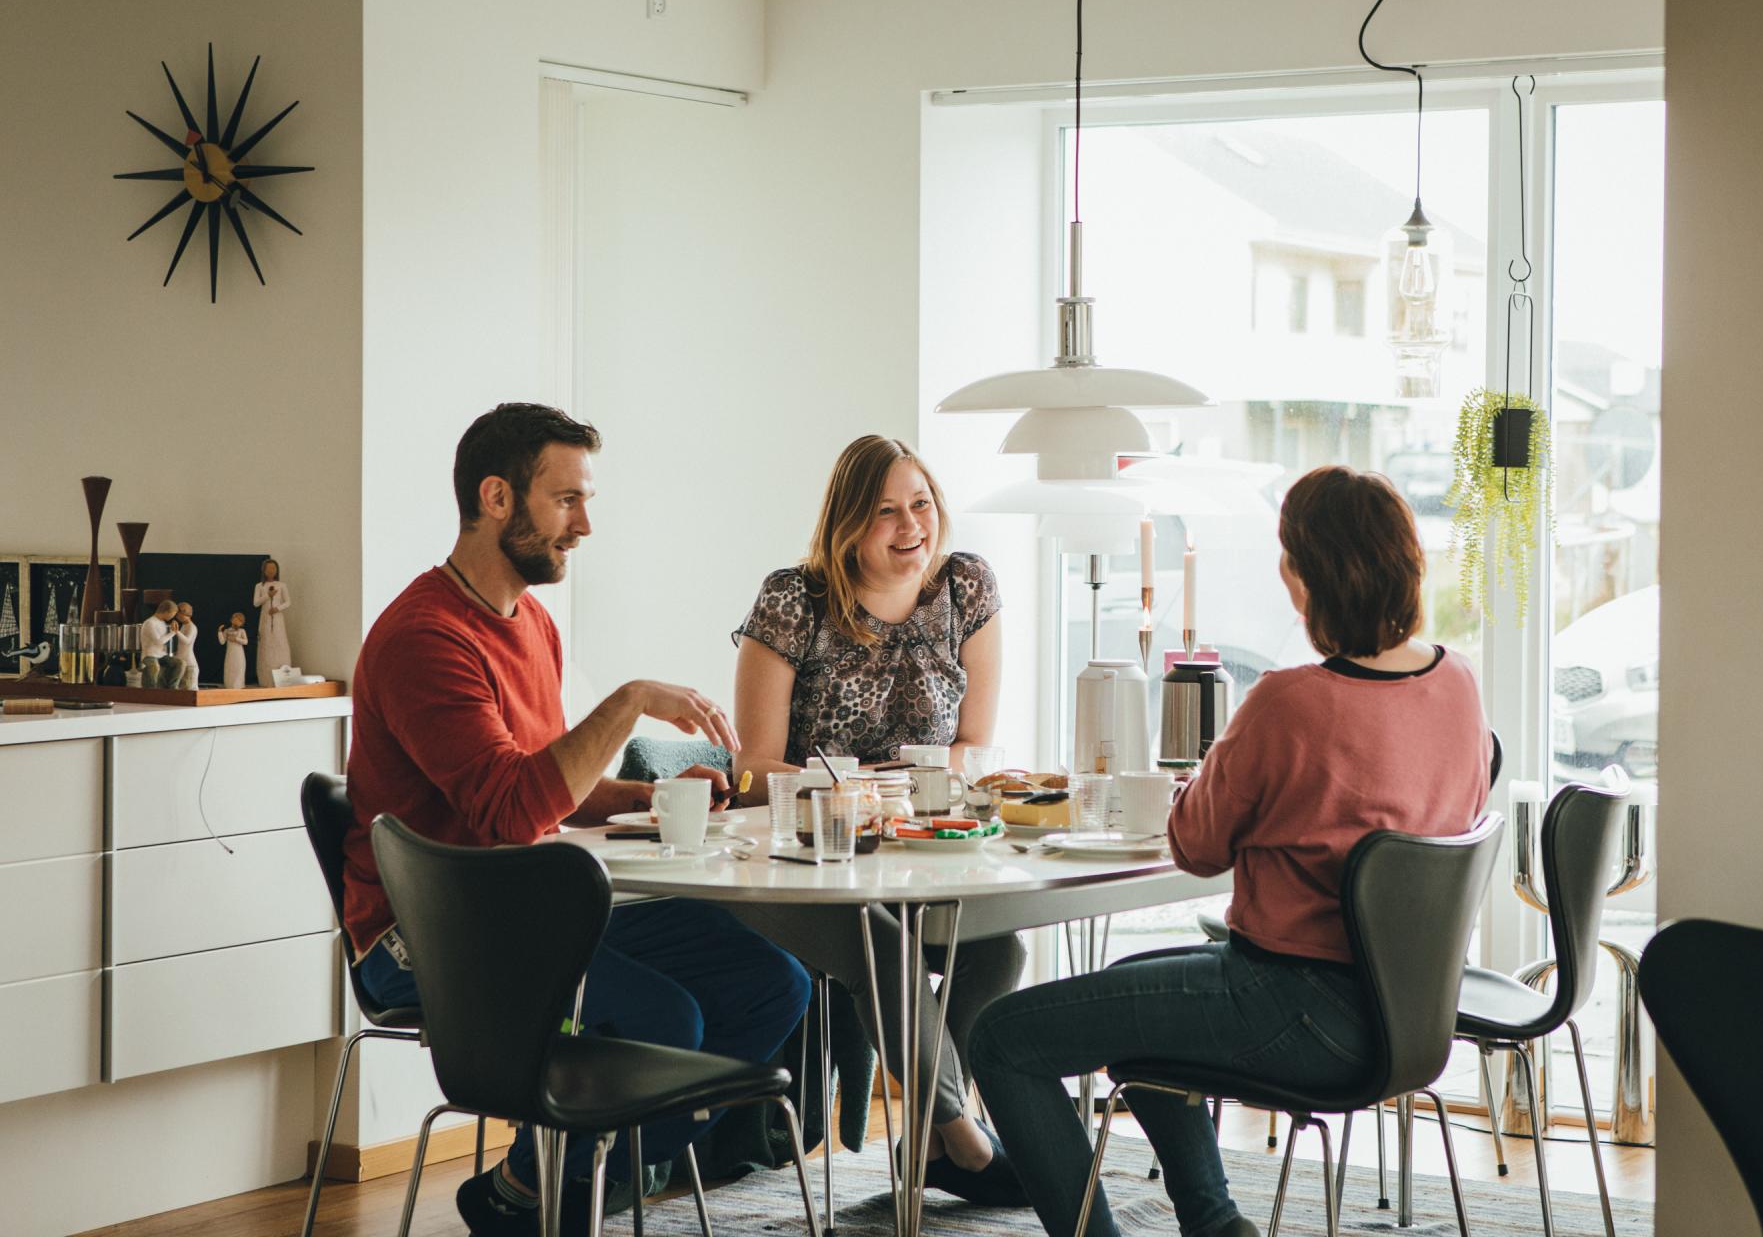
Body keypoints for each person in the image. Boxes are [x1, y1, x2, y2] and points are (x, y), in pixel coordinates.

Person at [970, 466, 1494, 1237]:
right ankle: (1215, 1226)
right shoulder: (1460, 685)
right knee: (1125, 992)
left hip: (1293, 1007)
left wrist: (1223, 769)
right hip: (1408, 1015)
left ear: (1299, 575)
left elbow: (1195, 847)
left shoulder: (1289, 701)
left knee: (1001, 1038)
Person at [343, 403, 810, 1237]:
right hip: (431, 935)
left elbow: (543, 782)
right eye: (566, 501)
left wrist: (652, 799)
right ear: (496, 497)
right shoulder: (425, 638)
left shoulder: (532, 624)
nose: (585, 525)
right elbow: (513, 806)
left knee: (770, 980)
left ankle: (542, 1184)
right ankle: (557, 1196)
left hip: (528, 915)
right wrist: (628, 703)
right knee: (666, 1017)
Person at [730, 434, 1026, 1204]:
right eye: (886, 511)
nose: (910, 526)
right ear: (848, 523)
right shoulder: (794, 599)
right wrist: (858, 785)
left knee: (996, 952)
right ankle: (962, 1139)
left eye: (921, 505)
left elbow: (976, 743)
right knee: (883, 947)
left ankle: (926, 1138)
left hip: (919, 843)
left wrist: (927, 777)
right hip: (802, 855)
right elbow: (753, 769)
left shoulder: (965, 587)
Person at [253, 558, 291, 683]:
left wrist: (277, 608)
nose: (271, 571)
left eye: (273, 568)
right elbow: (256, 603)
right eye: (268, 569)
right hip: (265, 619)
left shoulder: (282, 585)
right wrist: (267, 596)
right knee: (266, 644)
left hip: (278, 618)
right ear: (264, 571)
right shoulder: (259, 586)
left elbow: (288, 602)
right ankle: (266, 679)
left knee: (280, 642)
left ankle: (283, 677)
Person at [217, 612, 248, 689]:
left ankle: (238, 684)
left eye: (239, 620)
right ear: (231, 620)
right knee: (230, 668)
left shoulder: (242, 631)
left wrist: (236, 639)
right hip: (230, 654)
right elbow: (222, 642)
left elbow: (246, 642)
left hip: (239, 654)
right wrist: (220, 632)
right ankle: (229, 684)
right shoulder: (227, 631)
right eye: (235, 619)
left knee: (238, 668)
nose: (237, 621)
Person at [173, 602, 199, 689]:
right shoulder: (184, 626)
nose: (177, 616)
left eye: (178, 614)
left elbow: (187, 641)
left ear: (184, 613)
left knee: (188, 689)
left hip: (189, 664)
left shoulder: (192, 627)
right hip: (182, 661)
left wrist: (176, 631)